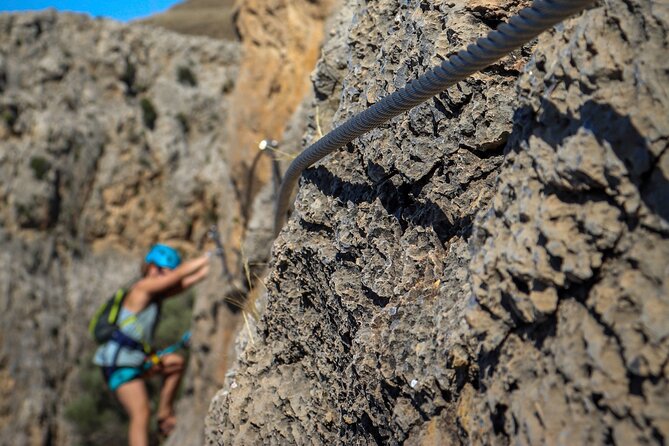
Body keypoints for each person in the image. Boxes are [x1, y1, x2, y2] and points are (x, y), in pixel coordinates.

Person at [93, 244, 210, 446]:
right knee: (141, 412)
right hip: (119, 363)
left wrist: (209, 266)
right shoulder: (142, 287)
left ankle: (164, 413)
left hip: (135, 360)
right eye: (164, 272)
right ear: (152, 267)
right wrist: (209, 256)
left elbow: (184, 282)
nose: (166, 276)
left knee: (175, 363)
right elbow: (179, 276)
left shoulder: (155, 295)